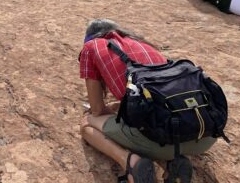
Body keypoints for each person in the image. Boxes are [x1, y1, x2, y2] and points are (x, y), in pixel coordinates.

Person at [79, 19, 217, 183]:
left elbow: (97, 110)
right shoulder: (141, 43)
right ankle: (171, 164)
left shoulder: (91, 47)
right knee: (147, 122)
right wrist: (118, 106)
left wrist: (107, 111)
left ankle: (130, 163)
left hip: (164, 138)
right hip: (203, 136)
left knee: (87, 123)